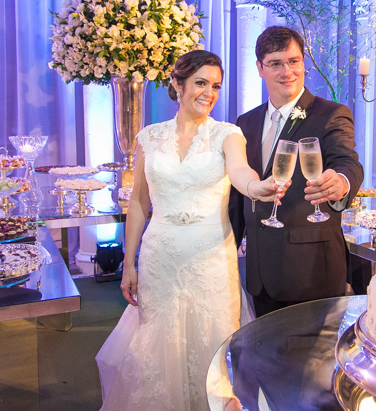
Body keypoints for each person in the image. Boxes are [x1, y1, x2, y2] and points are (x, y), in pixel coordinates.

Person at [95, 50, 286, 411]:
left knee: (211, 345)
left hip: (210, 256)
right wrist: (129, 263)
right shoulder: (148, 138)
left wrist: (258, 187)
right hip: (159, 257)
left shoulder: (228, 134)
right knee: (159, 348)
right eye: (201, 83)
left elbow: (242, 174)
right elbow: (139, 204)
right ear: (176, 84)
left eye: (215, 85)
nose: (209, 93)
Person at [230, 26, 364, 317]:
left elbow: (348, 163)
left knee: (314, 362)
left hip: (310, 273)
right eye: (276, 63)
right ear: (260, 68)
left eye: (293, 61)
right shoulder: (246, 122)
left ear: (303, 63)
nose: (286, 71)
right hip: (259, 274)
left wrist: (340, 182)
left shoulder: (332, 114)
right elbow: (236, 196)